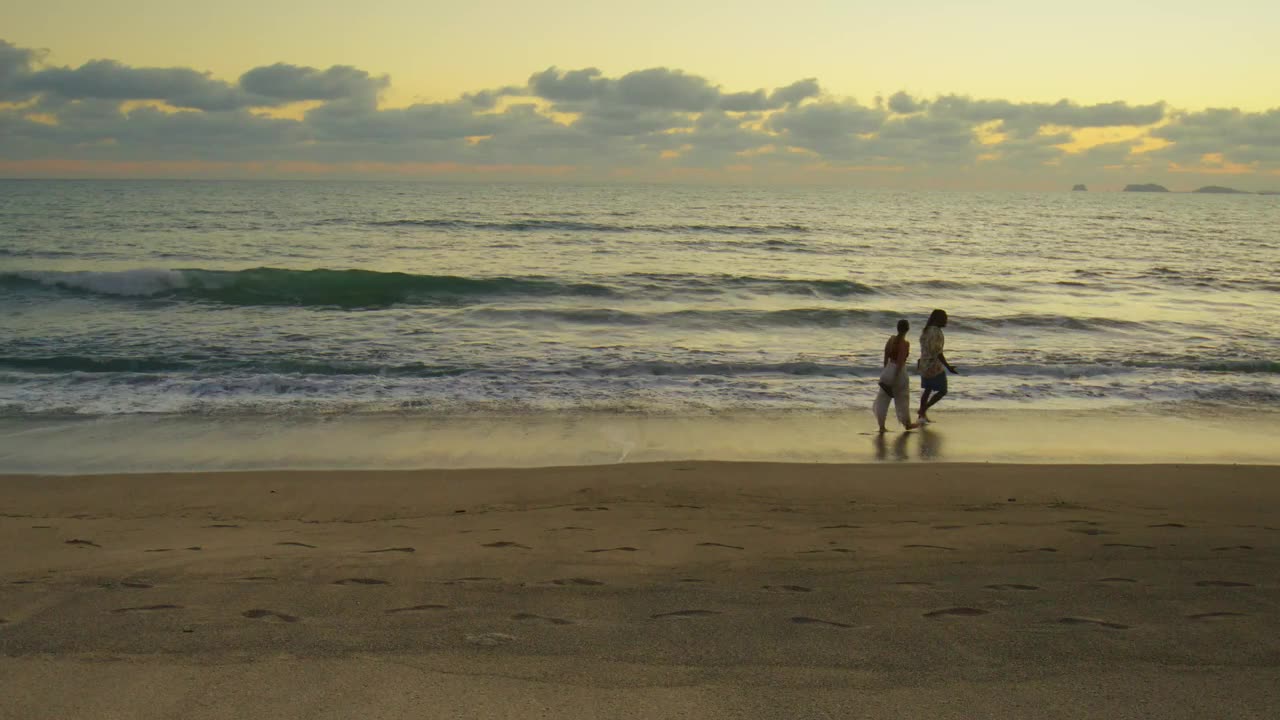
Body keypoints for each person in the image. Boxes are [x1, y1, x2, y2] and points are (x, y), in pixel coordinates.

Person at [873, 319, 919, 432]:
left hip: (888, 369)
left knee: (883, 398)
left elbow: (885, 356)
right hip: (899, 373)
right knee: (902, 398)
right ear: (907, 329)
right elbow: (900, 363)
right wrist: (895, 377)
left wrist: (885, 371)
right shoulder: (905, 344)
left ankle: (881, 426)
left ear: (897, 328)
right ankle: (906, 423)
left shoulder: (891, 340)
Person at [917, 309, 959, 424]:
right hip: (933, 366)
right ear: (937, 319)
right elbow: (938, 352)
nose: (946, 321)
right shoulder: (937, 332)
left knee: (928, 389)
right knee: (943, 390)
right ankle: (923, 409)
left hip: (923, 364)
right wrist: (948, 367)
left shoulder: (926, 330)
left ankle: (922, 415)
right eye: (944, 318)